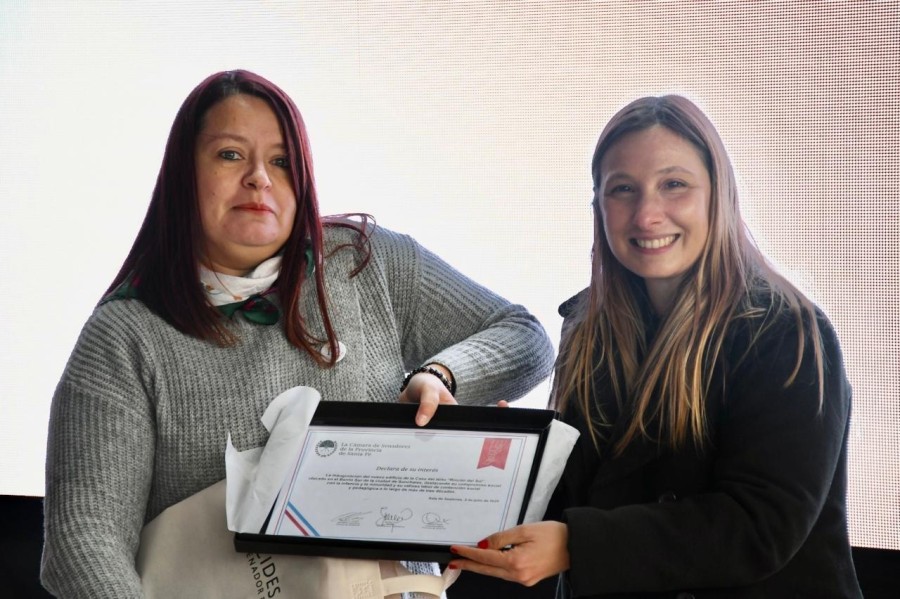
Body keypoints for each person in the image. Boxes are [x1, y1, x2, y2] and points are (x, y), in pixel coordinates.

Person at [40, 69, 555, 598]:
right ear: (182, 175)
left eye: (281, 161)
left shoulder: (363, 261)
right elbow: (83, 544)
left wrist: (441, 375)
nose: (260, 177)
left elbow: (524, 338)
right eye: (230, 155)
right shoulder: (124, 336)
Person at [449, 95, 862, 598]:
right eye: (623, 190)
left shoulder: (789, 332)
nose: (646, 215)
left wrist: (577, 544)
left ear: (718, 195)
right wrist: (512, 461)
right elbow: (589, 488)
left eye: (674, 185)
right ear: (599, 206)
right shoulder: (588, 327)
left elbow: (759, 525)